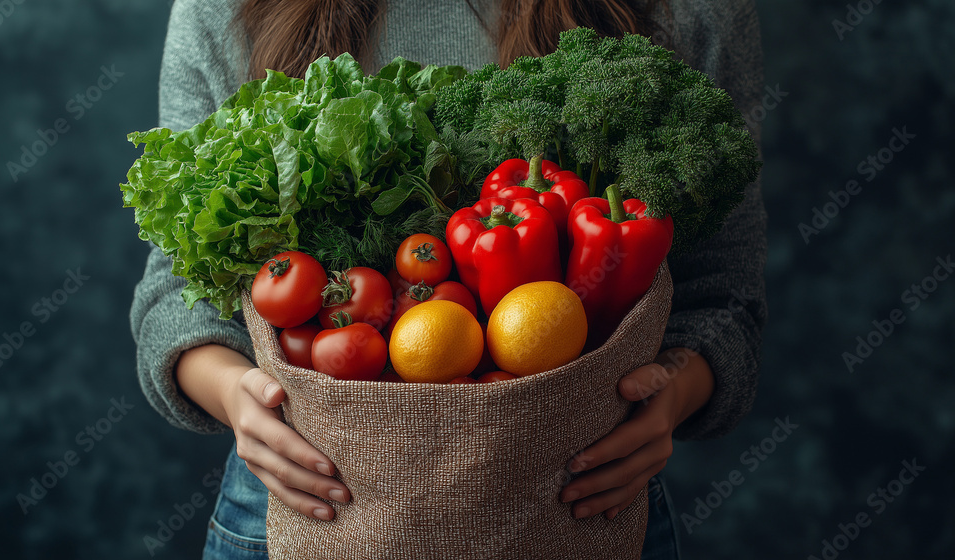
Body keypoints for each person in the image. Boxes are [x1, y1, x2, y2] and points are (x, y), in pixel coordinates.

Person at [130, 0, 767, 558]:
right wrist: (235, 395)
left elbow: (724, 298)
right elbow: (176, 292)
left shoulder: (692, 8)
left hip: (579, 505)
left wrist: (672, 397)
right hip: (306, 504)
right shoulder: (226, 6)